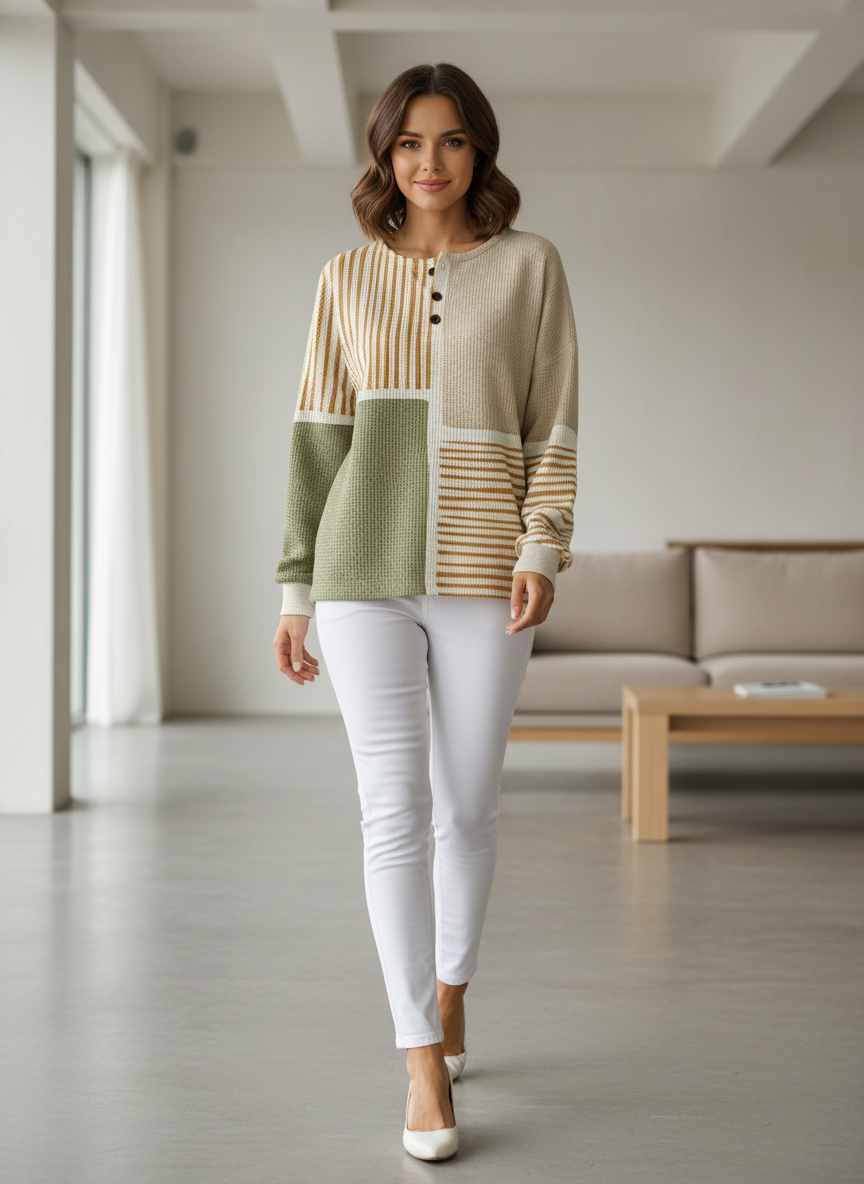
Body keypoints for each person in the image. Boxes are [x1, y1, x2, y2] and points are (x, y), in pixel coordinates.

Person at [271, 61, 578, 1161]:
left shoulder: (531, 267)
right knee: (391, 810)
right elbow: (319, 437)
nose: (429, 162)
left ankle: (453, 988)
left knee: (469, 806)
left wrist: (543, 546)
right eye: (409, 142)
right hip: (361, 567)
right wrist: (295, 588)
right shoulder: (346, 276)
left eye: (450, 140)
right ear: (384, 154)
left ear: (478, 148)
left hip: (487, 570)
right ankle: (419, 1060)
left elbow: (553, 424)